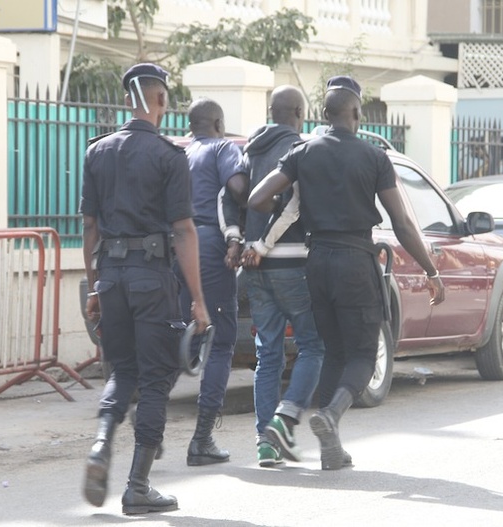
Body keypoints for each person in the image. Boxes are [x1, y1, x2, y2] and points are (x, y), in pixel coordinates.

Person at [248, 76, 446, 470]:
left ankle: (323, 444)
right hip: (356, 260)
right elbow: (403, 224)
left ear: (323, 114)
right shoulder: (374, 157)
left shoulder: (303, 152)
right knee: (363, 354)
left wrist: (287, 215)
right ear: (356, 114)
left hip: (316, 261)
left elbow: (257, 198)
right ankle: (331, 415)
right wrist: (431, 271)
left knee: (333, 353)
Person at [79, 63, 210, 515]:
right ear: (160, 101)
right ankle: (137, 486)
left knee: (123, 372)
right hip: (151, 279)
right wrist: (197, 299)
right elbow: (184, 232)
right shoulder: (169, 157)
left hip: (111, 278)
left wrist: (95, 288)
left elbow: (90, 229)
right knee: (155, 378)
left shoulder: (97, 152)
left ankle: (100, 444)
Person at [236, 85, 326, 467]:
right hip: (289, 262)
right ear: (300, 113)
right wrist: (263, 244)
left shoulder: (249, 148)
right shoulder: (299, 149)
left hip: (253, 267)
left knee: (267, 354)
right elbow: (292, 205)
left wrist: (240, 242)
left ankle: (264, 443)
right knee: (312, 346)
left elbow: (235, 195)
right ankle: (281, 422)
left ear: (271, 112)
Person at [177, 97, 249, 466]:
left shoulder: (179, 154)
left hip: (174, 248)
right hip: (208, 246)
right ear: (219, 124)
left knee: (177, 335)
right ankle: (202, 438)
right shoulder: (223, 149)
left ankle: (150, 432)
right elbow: (238, 188)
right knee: (220, 341)